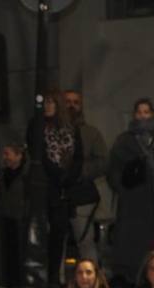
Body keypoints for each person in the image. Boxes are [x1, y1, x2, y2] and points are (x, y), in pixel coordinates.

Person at [106, 98, 154, 288]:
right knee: (131, 241)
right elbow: (113, 170)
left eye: (146, 112)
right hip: (133, 201)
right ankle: (129, 277)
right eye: (139, 112)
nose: (143, 116)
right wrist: (124, 188)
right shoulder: (124, 141)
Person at [27, 89, 82, 288]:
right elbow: (38, 154)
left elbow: (78, 158)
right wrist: (56, 173)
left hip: (63, 190)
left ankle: (54, 277)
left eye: (52, 102)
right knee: (41, 234)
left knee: (59, 234)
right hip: (43, 187)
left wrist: (68, 176)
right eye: (46, 102)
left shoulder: (71, 128)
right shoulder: (37, 126)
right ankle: (40, 277)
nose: (48, 106)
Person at [62, 89, 107, 267]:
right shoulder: (49, 131)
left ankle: (92, 281)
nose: (71, 106)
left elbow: (103, 161)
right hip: (57, 194)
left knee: (85, 242)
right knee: (58, 242)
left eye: (76, 102)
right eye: (67, 101)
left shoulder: (91, 133)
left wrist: (79, 172)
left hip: (81, 195)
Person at [0, 144, 36, 288]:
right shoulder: (2, 174)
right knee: (8, 255)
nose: (4, 157)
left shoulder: (27, 175)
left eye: (8, 154)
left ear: (19, 156)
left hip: (22, 219)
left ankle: (22, 284)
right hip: (6, 218)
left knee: (22, 255)